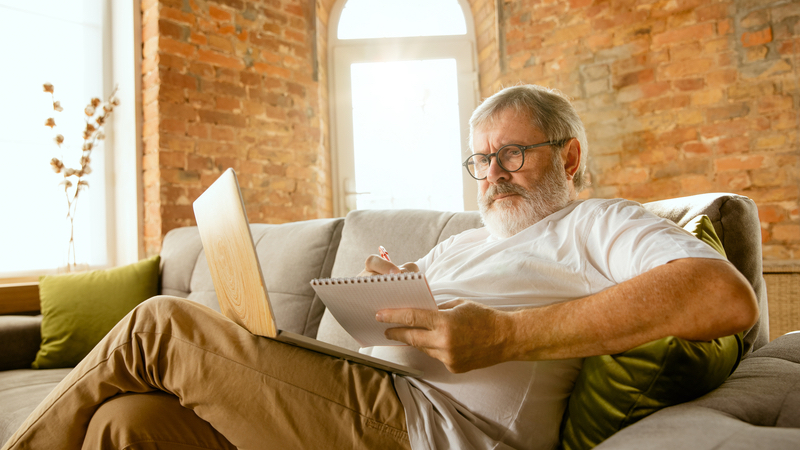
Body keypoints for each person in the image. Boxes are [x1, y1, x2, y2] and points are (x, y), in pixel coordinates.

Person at [2, 85, 758, 450]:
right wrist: (387, 283)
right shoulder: (470, 238)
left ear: (569, 155)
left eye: (512, 153)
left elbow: (722, 298)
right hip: (360, 402)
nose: (492, 173)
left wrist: (505, 335)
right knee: (125, 425)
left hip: (435, 431)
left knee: (160, 325)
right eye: (481, 158)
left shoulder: (598, 222)